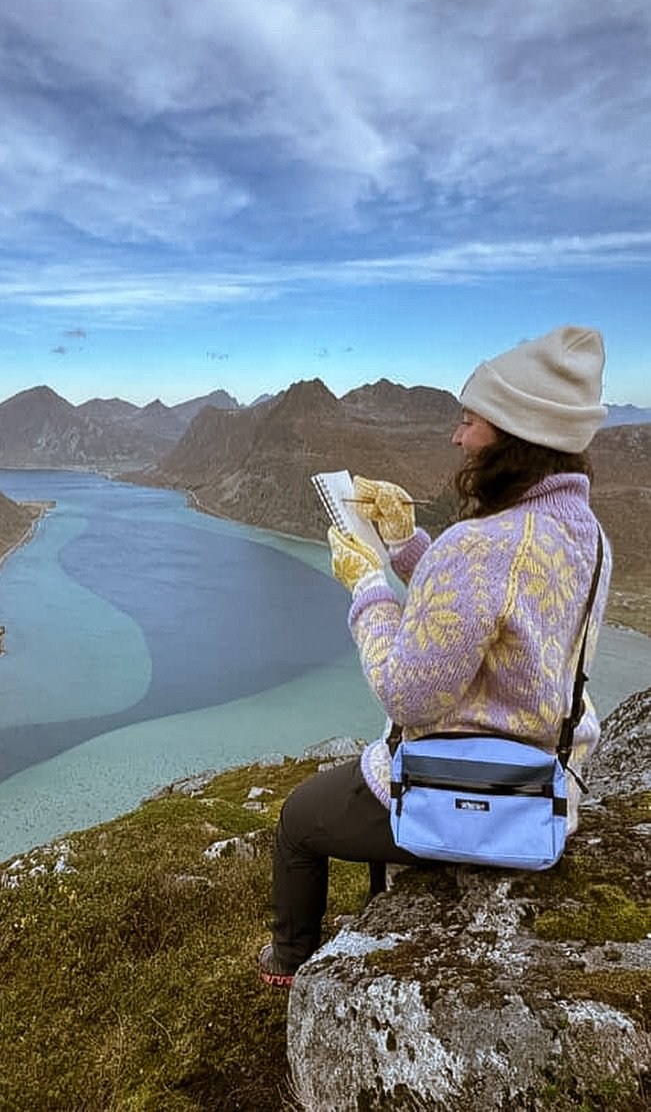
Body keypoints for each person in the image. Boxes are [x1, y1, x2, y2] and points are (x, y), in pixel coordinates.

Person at [258, 325, 612, 987]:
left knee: (300, 819)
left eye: (469, 420)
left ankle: (290, 962)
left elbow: (405, 694)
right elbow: (495, 610)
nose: (457, 436)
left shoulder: (476, 545)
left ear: (512, 434)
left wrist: (367, 586)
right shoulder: (585, 534)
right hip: (545, 780)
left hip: (467, 786)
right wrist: (404, 546)